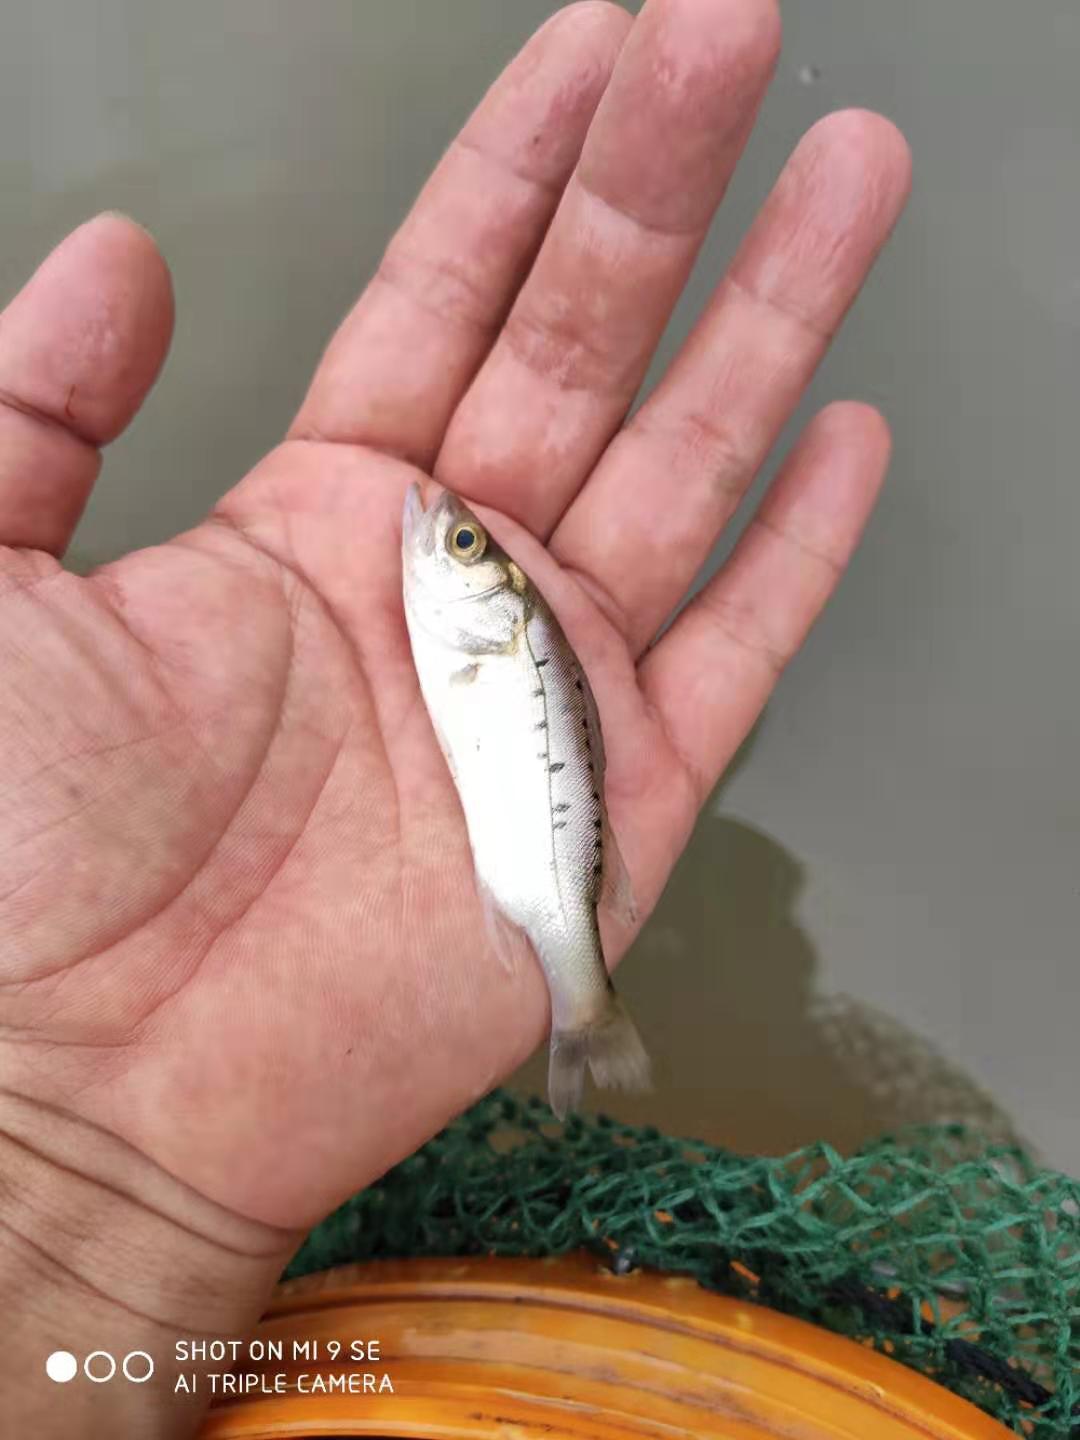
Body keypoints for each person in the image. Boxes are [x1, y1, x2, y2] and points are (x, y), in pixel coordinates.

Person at [0, 0, 911, 1432]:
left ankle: (579, 1001)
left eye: (467, 549)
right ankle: (580, 996)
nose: (447, 534)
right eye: (470, 543)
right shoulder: (457, 615)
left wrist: (60, 1201)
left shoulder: (471, 623)